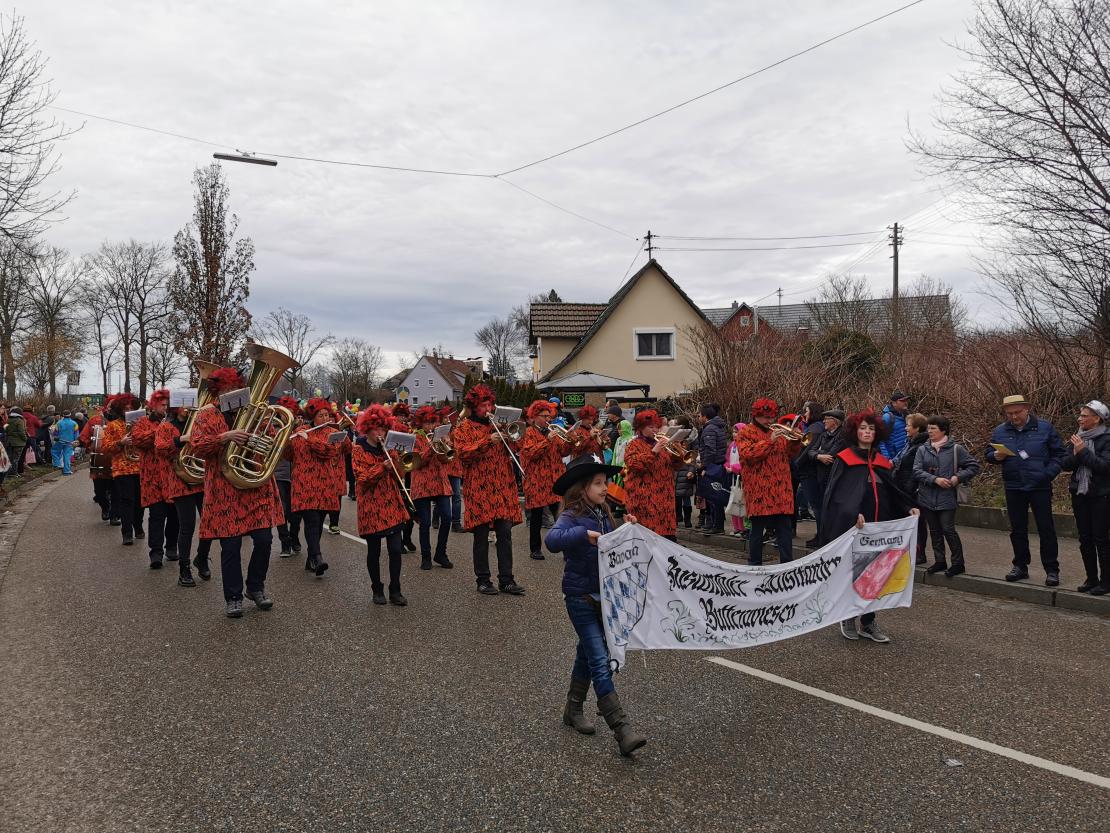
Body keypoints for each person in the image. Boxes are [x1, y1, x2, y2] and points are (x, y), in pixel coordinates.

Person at [546, 453, 647, 757]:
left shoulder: (605, 513)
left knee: (587, 654)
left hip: (605, 598)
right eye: (599, 483)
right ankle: (621, 728)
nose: (606, 488)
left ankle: (573, 709)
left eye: (606, 482)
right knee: (600, 660)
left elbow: (613, 547)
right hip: (580, 597)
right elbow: (552, 540)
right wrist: (582, 534)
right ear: (582, 488)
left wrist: (628, 528)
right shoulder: (572, 516)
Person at [188, 367, 285, 618]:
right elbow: (197, 446)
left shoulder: (255, 411)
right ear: (218, 393)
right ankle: (233, 597)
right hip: (224, 489)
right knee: (230, 547)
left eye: (236, 390)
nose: (233, 395)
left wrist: (262, 437)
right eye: (227, 391)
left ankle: (256, 587)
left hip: (255, 486)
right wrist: (224, 437)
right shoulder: (206, 414)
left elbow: (272, 442)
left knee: (264, 541)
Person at [820, 410, 918, 643]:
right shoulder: (845, 458)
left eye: (871, 429)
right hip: (854, 529)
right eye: (863, 428)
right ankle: (847, 616)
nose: (867, 432)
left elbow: (893, 492)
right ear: (855, 432)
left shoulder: (881, 461)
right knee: (852, 573)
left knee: (874, 576)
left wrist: (907, 508)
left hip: (879, 530)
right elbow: (838, 495)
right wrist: (852, 514)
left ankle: (868, 620)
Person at [985, 394, 1067, 586]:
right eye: (1009, 413)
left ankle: (1051, 570)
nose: (1013, 417)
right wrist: (995, 456)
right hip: (1014, 485)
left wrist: (1048, 474)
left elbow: (1059, 454)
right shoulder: (1000, 431)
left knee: (1046, 529)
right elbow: (988, 454)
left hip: (1040, 486)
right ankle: (1020, 566)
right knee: (1017, 529)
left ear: (1026, 409)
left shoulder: (1045, 427)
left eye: (1017, 412)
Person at [453, 384, 525, 596]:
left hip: (502, 486)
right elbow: (463, 453)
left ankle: (507, 579)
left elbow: (517, 448)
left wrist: (510, 436)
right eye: (484, 405)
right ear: (474, 407)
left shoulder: (498, 426)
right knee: (481, 535)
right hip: (479, 487)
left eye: (490, 404)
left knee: (504, 532)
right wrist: (487, 441)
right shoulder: (464, 428)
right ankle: (483, 580)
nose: (489, 408)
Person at [352, 404, 411, 606]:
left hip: (391, 504)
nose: (381, 433)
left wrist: (395, 461)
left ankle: (395, 589)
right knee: (374, 550)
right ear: (367, 428)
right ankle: (377, 588)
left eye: (383, 429)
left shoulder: (389, 449)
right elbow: (362, 478)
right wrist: (381, 467)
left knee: (395, 549)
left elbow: (400, 476)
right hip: (370, 506)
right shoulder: (358, 449)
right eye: (377, 429)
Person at [913, 415, 980, 577]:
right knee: (935, 531)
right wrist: (934, 479)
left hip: (947, 497)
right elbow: (916, 471)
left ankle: (958, 563)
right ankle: (939, 561)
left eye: (933, 429)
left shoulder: (956, 449)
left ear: (943, 430)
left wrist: (957, 478)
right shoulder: (923, 449)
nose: (929, 432)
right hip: (926, 497)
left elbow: (973, 466)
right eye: (928, 428)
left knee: (948, 530)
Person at [155, 400, 213, 587]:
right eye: (184, 404)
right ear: (175, 407)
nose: (188, 408)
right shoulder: (166, 426)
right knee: (186, 526)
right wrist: (181, 439)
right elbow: (160, 448)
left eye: (190, 404)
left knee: (209, 523)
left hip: (201, 478)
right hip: (180, 480)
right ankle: (184, 569)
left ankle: (202, 557)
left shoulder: (198, 423)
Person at [736, 398, 800, 565]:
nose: (769, 420)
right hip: (759, 490)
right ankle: (754, 564)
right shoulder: (746, 433)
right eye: (765, 417)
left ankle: (787, 564)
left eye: (771, 417)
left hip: (781, 489)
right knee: (757, 530)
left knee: (785, 530)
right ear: (755, 416)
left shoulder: (778, 432)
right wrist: (769, 441)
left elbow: (790, 454)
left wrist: (795, 440)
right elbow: (748, 455)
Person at [288, 397, 346, 578]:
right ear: (313, 416)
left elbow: (329, 452)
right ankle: (318, 558)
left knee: (319, 523)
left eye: (327, 415)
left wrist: (310, 441)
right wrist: (287, 442)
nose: (325, 418)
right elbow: (290, 455)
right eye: (321, 415)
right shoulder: (301, 431)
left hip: (325, 484)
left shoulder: (331, 432)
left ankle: (311, 559)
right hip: (305, 483)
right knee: (312, 520)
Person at [1061, 401, 1110, 595]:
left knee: (1101, 539)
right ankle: (1091, 578)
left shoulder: (1107, 438)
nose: (1079, 419)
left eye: (1084, 415)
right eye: (1080, 415)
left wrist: (1082, 452)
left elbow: (1105, 467)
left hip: (1101, 495)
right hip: (1080, 494)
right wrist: (1077, 453)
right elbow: (1065, 464)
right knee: (1085, 538)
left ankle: (1106, 582)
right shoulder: (1077, 437)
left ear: (1096, 418)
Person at [130, 389, 179, 568]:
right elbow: (138, 440)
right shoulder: (143, 421)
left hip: (173, 475)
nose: (165, 408)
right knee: (157, 515)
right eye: (162, 405)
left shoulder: (176, 422)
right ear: (153, 405)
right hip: (153, 477)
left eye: (168, 405)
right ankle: (156, 552)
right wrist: (161, 429)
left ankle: (172, 546)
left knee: (175, 515)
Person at [623, 409, 686, 540]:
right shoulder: (633, 445)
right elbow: (635, 465)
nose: (655, 430)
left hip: (665, 501)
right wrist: (654, 451)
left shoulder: (664, 444)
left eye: (656, 427)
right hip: (645, 501)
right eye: (650, 427)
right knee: (647, 541)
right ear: (640, 428)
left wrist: (679, 451)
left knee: (667, 541)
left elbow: (676, 466)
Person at [519, 399, 569, 561]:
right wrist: (547, 440)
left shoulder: (553, 432)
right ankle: (535, 549)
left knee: (561, 516)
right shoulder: (528, 433)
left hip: (554, 480)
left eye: (550, 416)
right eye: (544, 416)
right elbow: (531, 454)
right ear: (534, 416)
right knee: (536, 517)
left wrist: (571, 440)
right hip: (536, 481)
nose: (548, 419)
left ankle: (566, 549)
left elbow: (563, 452)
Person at [410, 405, 454, 570]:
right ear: (420, 424)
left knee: (447, 517)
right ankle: (426, 556)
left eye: (432, 423)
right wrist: (431, 446)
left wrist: (445, 446)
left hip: (440, 481)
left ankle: (441, 553)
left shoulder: (439, 436)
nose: (430, 426)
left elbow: (447, 460)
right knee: (426, 522)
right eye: (427, 423)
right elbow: (418, 462)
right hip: (422, 483)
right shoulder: (414, 437)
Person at [98, 394, 145, 547]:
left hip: (141, 467)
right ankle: (127, 533)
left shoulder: (141, 424)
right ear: (120, 410)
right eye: (126, 409)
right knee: (127, 501)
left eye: (131, 408)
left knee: (140, 501)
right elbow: (104, 448)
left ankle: (138, 526)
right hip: (122, 469)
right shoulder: (113, 425)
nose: (129, 411)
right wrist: (121, 442)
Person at [798, 409, 845, 547]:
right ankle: (822, 536)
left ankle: (826, 539)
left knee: (826, 509)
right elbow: (811, 451)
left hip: (833, 478)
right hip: (821, 477)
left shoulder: (842, 436)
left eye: (827, 419)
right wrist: (818, 456)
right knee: (821, 508)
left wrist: (817, 454)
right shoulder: (824, 435)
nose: (823, 421)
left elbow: (831, 455)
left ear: (835, 422)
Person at [892, 413, 929, 564]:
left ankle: (920, 552)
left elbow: (915, 470)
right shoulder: (910, 442)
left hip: (912, 489)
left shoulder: (920, 446)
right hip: (902, 487)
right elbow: (898, 459)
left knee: (918, 522)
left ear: (917, 428)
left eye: (908, 425)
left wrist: (909, 488)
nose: (906, 428)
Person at [273, 396, 303, 557]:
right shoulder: (273, 427)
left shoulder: (300, 429)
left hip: (298, 474)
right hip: (279, 473)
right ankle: (285, 542)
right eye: (287, 412)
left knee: (296, 511)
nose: (289, 414)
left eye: (292, 412)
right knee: (282, 509)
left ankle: (294, 536)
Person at [696, 404, 728, 534]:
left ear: (705, 417)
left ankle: (717, 526)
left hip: (713, 466)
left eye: (699, 416)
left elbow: (710, 450)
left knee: (714, 498)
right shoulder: (718, 427)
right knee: (716, 496)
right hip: (718, 464)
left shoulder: (709, 429)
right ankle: (717, 524)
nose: (698, 418)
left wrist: (704, 466)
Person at [78, 407, 115, 521]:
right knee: (99, 492)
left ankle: (114, 515)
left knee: (116, 491)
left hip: (117, 462)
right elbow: (84, 437)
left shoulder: (123, 421)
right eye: (110, 406)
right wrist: (91, 446)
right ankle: (105, 508)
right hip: (99, 462)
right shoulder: (94, 420)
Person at [880, 392, 910, 460]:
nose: (905, 402)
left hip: (905, 458)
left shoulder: (907, 415)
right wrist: (886, 458)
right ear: (894, 403)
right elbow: (880, 440)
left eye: (906, 400)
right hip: (892, 459)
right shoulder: (887, 417)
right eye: (902, 401)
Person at [53, 410, 79, 475]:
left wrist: (56, 436)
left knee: (54, 451)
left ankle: (57, 464)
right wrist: (76, 441)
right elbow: (76, 434)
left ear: (63, 415)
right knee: (67, 456)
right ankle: (67, 471)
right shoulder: (74, 423)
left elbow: (55, 433)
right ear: (70, 415)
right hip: (70, 442)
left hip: (60, 441)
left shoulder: (59, 423)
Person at [5, 406, 26, 477]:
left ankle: (8, 473)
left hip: (9, 442)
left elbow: (6, 430)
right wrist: (25, 439)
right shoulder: (19, 420)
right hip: (18, 443)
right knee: (16, 458)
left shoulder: (8, 420)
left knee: (9, 458)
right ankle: (14, 473)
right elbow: (21, 432)